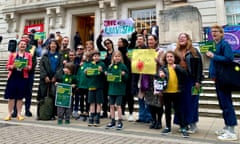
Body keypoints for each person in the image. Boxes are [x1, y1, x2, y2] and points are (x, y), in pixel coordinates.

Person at [206, 24, 238, 141]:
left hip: (224, 78)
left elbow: (229, 59)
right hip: (218, 78)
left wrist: (214, 56)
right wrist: (212, 74)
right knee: (222, 103)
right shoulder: (215, 45)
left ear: (221, 33)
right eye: (212, 31)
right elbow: (213, 62)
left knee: (226, 104)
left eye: (216, 31)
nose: (213, 33)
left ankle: (232, 131)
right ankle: (227, 127)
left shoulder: (224, 44)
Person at [175, 33, 203, 133]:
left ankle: (193, 124)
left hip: (193, 80)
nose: (181, 39)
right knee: (181, 103)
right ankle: (183, 123)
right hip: (180, 80)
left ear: (188, 39)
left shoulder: (194, 51)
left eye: (184, 37)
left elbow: (200, 66)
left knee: (193, 102)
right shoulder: (176, 51)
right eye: (180, 38)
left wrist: (198, 81)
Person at [159, 51, 189, 138]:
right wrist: (160, 75)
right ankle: (168, 127)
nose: (169, 58)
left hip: (177, 92)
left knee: (179, 111)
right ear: (165, 59)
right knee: (167, 111)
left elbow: (185, 74)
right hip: (166, 92)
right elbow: (158, 77)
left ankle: (183, 127)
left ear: (174, 58)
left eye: (171, 56)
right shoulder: (163, 68)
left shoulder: (178, 67)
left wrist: (178, 68)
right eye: (168, 57)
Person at [4, 40, 32, 121]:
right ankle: (9, 114)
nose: (23, 45)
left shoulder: (28, 55)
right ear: (18, 45)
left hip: (23, 77)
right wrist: (13, 66)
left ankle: (19, 114)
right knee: (11, 97)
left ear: (26, 46)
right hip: (13, 77)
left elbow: (30, 66)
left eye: (24, 44)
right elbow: (8, 66)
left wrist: (26, 67)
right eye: (21, 44)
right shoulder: (12, 55)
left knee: (20, 97)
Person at [37, 39, 63, 120]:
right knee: (42, 95)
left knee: (53, 96)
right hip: (45, 79)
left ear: (57, 46)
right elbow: (41, 66)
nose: (53, 45)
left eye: (55, 44)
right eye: (51, 44)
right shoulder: (45, 55)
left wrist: (56, 76)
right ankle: (40, 114)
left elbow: (60, 66)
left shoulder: (59, 55)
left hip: (55, 79)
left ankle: (52, 114)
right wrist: (45, 76)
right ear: (49, 45)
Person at [144, 35, 164, 129]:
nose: (150, 41)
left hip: (157, 79)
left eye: (152, 39)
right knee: (150, 101)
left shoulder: (161, 51)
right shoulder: (145, 52)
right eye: (148, 40)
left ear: (156, 41)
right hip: (148, 79)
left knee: (158, 102)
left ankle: (159, 121)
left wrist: (158, 61)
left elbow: (165, 64)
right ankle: (153, 120)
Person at [105, 51, 129, 130]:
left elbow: (127, 78)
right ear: (113, 58)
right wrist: (106, 74)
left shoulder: (123, 66)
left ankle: (120, 121)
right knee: (111, 106)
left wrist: (124, 74)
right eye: (115, 56)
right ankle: (112, 120)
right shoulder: (110, 66)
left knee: (118, 106)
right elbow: (108, 78)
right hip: (111, 89)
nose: (117, 58)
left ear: (121, 57)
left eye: (119, 56)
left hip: (120, 89)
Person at [131, 34, 152, 123]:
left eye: (141, 39)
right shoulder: (134, 51)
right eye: (138, 39)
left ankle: (148, 116)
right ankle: (141, 116)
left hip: (146, 77)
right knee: (140, 98)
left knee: (146, 98)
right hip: (137, 76)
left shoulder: (147, 50)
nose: (139, 41)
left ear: (144, 40)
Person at [85, 50, 106, 126]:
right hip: (91, 86)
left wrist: (102, 71)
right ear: (92, 57)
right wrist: (86, 73)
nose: (96, 57)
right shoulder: (89, 65)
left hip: (99, 86)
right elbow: (87, 76)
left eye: (97, 56)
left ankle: (97, 117)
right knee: (92, 102)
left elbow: (105, 75)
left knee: (98, 102)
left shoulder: (102, 64)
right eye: (94, 56)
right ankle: (91, 116)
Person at [96, 31, 114, 118]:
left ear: (111, 43)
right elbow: (98, 43)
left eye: (109, 43)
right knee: (104, 94)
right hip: (104, 76)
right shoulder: (103, 52)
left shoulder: (115, 53)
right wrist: (100, 35)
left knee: (111, 94)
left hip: (112, 75)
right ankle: (105, 111)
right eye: (106, 44)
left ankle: (112, 112)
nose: (107, 45)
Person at [117, 38, 134, 121]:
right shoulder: (117, 52)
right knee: (121, 95)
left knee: (129, 96)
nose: (118, 43)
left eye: (120, 42)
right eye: (118, 42)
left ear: (124, 43)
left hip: (129, 76)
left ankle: (131, 113)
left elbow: (132, 63)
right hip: (120, 77)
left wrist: (129, 58)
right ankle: (122, 112)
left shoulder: (128, 51)